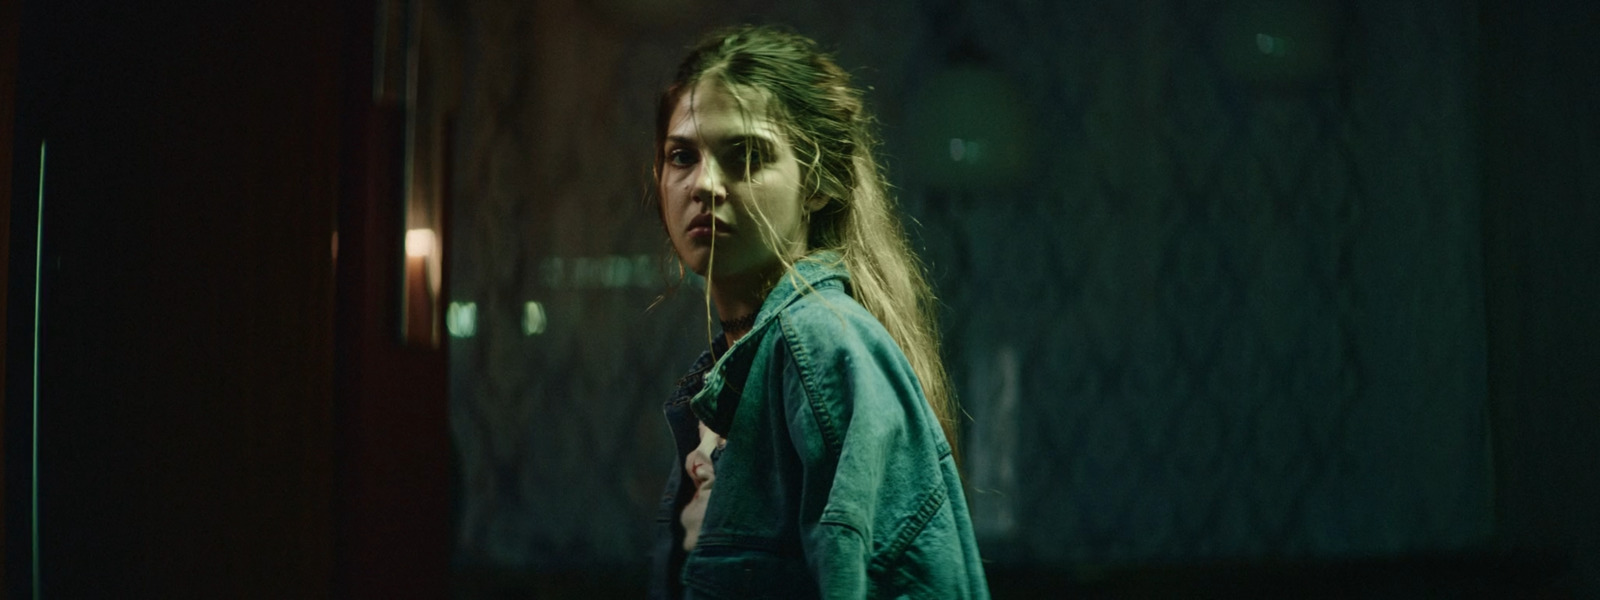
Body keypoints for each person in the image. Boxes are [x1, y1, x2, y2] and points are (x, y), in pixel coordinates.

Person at [648, 24, 990, 599]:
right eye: (682, 156)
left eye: (748, 155)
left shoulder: (820, 344)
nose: (705, 184)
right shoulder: (738, 367)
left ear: (818, 184)